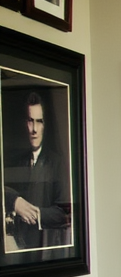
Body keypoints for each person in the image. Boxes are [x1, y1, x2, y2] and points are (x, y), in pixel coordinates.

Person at [2, 89, 71, 251]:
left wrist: (33, 213)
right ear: (23, 123)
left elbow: (64, 211)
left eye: (39, 121)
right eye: (30, 121)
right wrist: (15, 202)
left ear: (45, 125)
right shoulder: (14, 161)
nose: (34, 129)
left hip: (45, 245)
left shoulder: (57, 162)